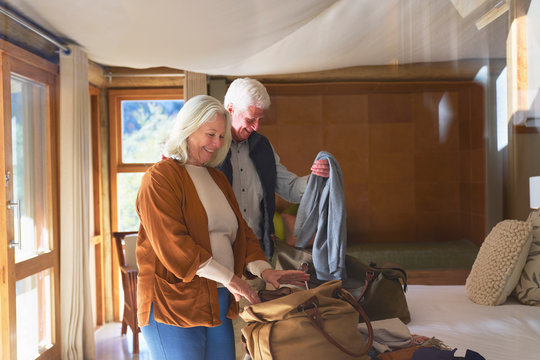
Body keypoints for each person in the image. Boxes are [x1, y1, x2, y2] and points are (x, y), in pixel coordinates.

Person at [135, 95, 309, 360]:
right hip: (172, 304)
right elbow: (175, 246)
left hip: (218, 298)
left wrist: (266, 271)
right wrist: (231, 278)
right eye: (211, 134)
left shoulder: (216, 178)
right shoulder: (159, 178)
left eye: (221, 136)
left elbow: (242, 235)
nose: (217, 144)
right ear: (188, 129)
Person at [216, 78, 330, 259]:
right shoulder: (210, 148)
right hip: (219, 254)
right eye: (250, 119)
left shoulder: (263, 147)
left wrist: (315, 178)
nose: (256, 127)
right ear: (230, 109)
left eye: (260, 119)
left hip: (258, 254)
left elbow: (290, 188)